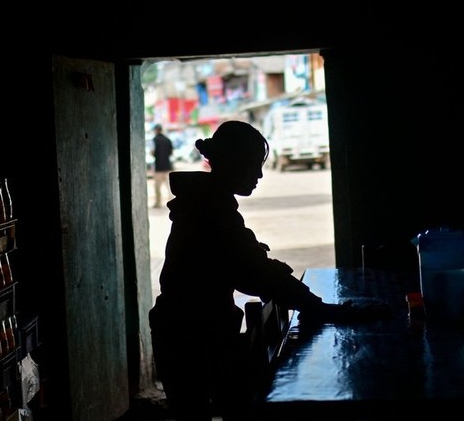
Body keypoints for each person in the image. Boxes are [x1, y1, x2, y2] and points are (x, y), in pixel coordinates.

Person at [149, 120, 377, 421]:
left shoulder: (208, 201)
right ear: (232, 162)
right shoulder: (212, 209)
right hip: (193, 334)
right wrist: (319, 307)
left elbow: (244, 265)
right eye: (252, 165)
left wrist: (254, 257)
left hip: (187, 329)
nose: (258, 175)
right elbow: (254, 275)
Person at [151, 123, 174, 208]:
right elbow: (171, 152)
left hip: (158, 167)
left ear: (156, 130)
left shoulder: (154, 140)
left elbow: (152, 152)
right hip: (167, 166)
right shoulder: (168, 140)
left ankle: (158, 203)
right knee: (170, 186)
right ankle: (173, 203)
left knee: (157, 187)